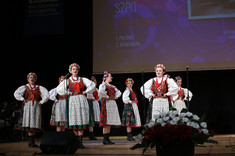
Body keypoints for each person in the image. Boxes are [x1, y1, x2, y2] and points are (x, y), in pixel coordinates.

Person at [56, 63, 95, 149]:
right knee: (75, 121)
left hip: (81, 100)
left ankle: (80, 143)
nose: (75, 70)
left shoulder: (82, 79)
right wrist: (67, 92)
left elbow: (92, 85)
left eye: (76, 69)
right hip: (73, 100)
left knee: (80, 120)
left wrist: (86, 91)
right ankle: (76, 143)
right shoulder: (67, 80)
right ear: (70, 71)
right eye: (73, 69)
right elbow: (59, 89)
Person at [14, 72, 49, 147]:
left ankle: (31, 142)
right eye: (30, 77)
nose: (32, 79)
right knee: (29, 123)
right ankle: (31, 142)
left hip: (36, 106)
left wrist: (41, 101)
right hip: (27, 106)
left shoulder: (39, 87)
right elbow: (16, 93)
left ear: (35, 79)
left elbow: (46, 95)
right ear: (28, 79)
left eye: (33, 77)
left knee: (34, 123)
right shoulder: (25, 87)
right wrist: (22, 99)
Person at [99, 71, 121, 145]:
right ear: (106, 77)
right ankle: (105, 139)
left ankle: (107, 139)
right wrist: (107, 97)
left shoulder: (112, 86)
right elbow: (101, 93)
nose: (111, 77)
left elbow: (119, 92)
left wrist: (115, 97)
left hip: (112, 103)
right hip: (107, 103)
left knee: (109, 122)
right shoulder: (103, 85)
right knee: (106, 122)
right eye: (110, 76)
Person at [86, 76, 100, 140]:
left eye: (95, 82)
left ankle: (92, 134)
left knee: (94, 119)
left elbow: (99, 96)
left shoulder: (96, 89)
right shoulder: (89, 89)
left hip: (95, 103)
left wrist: (98, 98)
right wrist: (93, 98)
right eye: (93, 82)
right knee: (91, 119)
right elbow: (88, 95)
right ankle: (91, 134)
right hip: (90, 104)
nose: (95, 83)